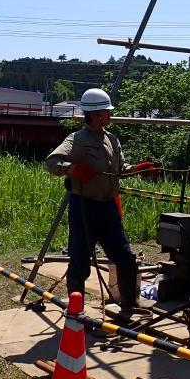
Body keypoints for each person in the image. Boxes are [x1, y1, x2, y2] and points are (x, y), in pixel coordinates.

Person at [44, 88, 138, 316]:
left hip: (108, 208)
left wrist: (137, 169)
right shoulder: (76, 140)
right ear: (95, 114)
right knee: (80, 261)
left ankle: (128, 306)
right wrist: (72, 169)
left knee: (125, 257)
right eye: (107, 111)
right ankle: (76, 312)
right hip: (85, 208)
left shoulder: (111, 139)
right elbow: (52, 162)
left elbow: (119, 170)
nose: (110, 115)